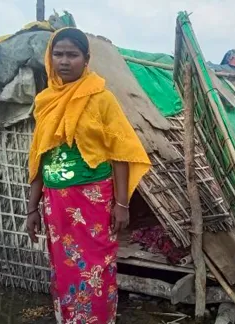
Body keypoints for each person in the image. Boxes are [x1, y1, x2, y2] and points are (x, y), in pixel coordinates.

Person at [26, 27, 151, 323]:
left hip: (93, 201)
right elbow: (38, 158)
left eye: (73, 54)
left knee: (96, 265)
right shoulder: (45, 100)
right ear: (50, 57)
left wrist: (121, 204)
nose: (65, 61)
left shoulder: (101, 98)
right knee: (64, 267)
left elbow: (120, 152)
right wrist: (32, 207)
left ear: (86, 58)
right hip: (55, 203)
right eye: (58, 54)